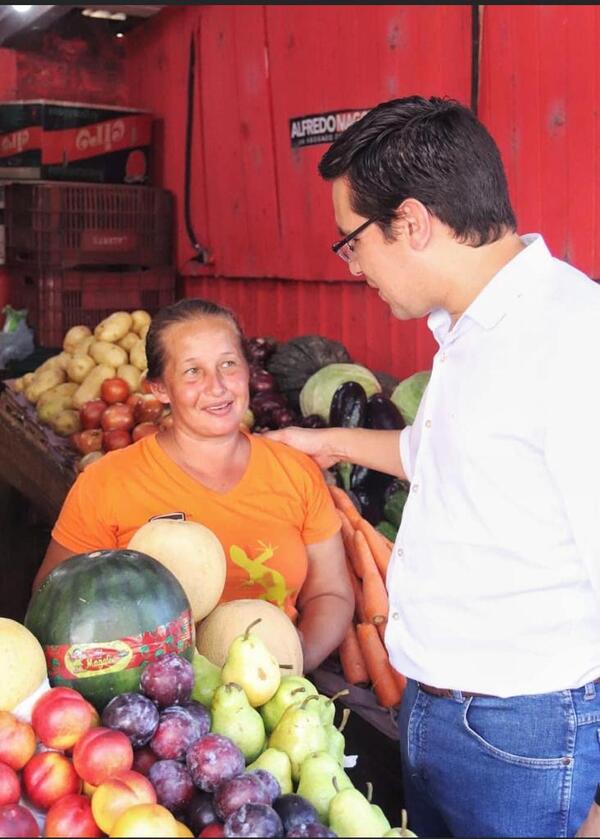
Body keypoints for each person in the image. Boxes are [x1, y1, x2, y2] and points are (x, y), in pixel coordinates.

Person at [266, 95, 600, 838]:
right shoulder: (473, 330)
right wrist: (325, 445)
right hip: (437, 705)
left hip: (527, 734)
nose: (352, 267)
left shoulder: (573, 340)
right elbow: (435, 456)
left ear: (411, 222)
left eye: (351, 242)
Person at [34, 298, 354, 674]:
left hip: (271, 697)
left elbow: (331, 593)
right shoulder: (107, 483)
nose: (216, 386)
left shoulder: (294, 471)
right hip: (152, 710)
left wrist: (294, 663)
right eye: (192, 371)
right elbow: (52, 607)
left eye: (228, 364)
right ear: (159, 388)